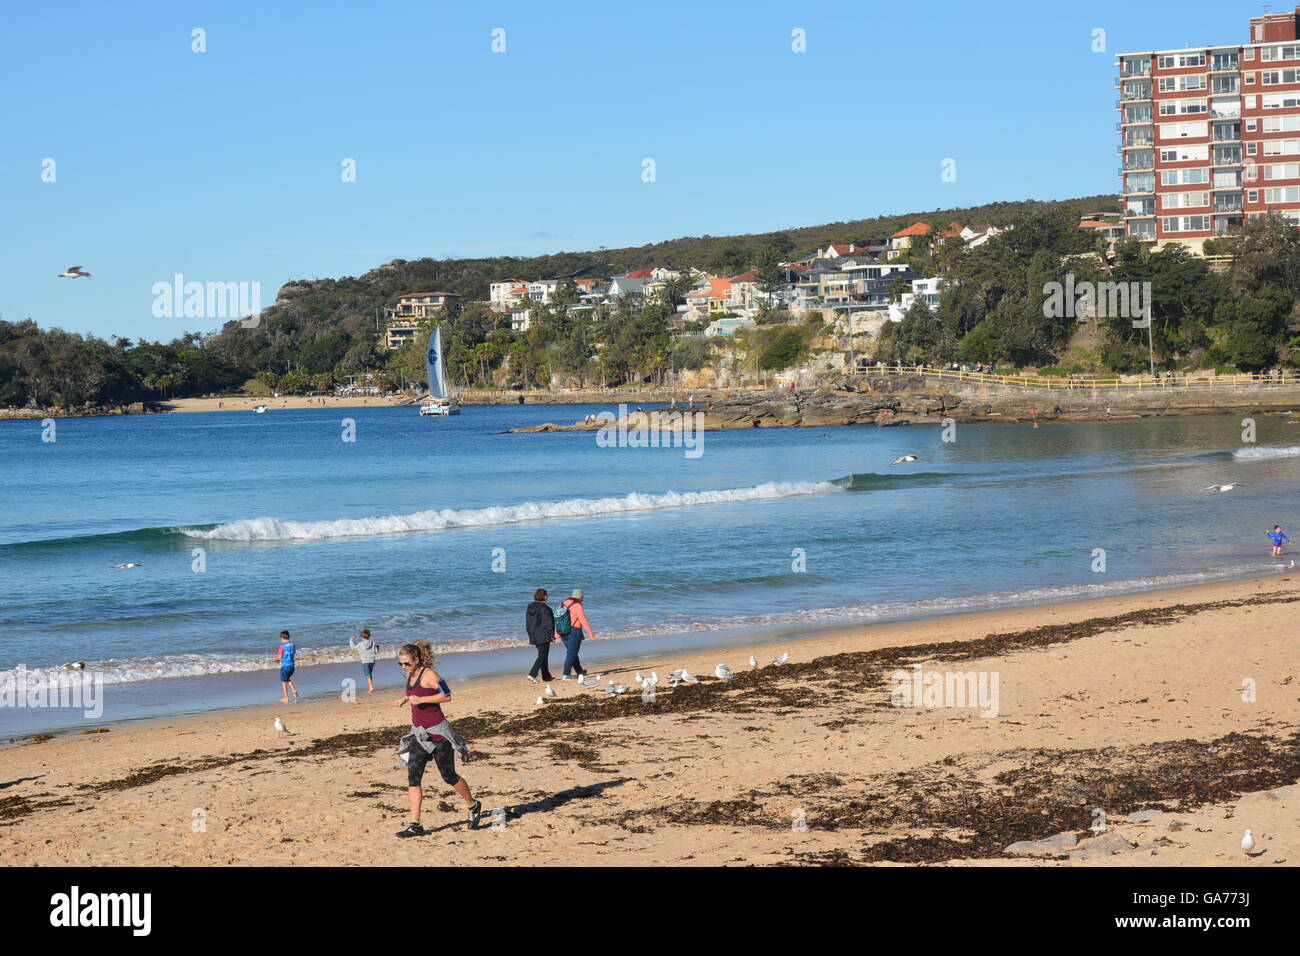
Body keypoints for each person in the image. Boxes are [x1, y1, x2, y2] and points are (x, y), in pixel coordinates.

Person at [394, 641, 481, 837]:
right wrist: (405, 699)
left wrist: (422, 700)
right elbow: (414, 692)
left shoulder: (430, 675)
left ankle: (473, 805)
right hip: (419, 735)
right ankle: (415, 824)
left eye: (406, 663)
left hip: (438, 735)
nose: (403, 667)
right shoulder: (411, 675)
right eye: (400, 664)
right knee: (413, 778)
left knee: (449, 776)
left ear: (416, 660)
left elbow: (447, 695)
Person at [556, 589, 597, 681]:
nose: (582, 600)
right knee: (571, 653)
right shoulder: (577, 605)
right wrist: (590, 632)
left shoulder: (563, 603)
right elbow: (582, 619)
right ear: (580, 597)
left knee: (572, 652)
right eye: (582, 598)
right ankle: (566, 674)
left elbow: (558, 619)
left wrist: (557, 633)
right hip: (574, 631)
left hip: (563, 631)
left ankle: (579, 671)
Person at [526, 589, 556, 683]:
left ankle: (546, 676)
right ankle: (532, 674)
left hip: (534, 634)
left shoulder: (531, 607)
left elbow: (529, 623)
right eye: (546, 595)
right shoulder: (544, 608)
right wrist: (552, 634)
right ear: (545, 596)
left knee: (543, 655)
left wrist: (531, 634)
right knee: (542, 655)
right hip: (543, 634)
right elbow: (549, 623)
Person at [348, 628, 380, 694]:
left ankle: (371, 687)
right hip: (372, 660)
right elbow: (375, 651)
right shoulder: (373, 643)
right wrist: (377, 647)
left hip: (365, 661)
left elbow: (353, 647)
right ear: (369, 636)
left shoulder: (360, 644)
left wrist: (351, 640)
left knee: (367, 674)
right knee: (369, 674)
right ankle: (370, 688)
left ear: (362, 637)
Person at [274, 630, 299, 703]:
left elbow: (280, 657)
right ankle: (294, 690)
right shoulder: (293, 645)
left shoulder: (282, 646)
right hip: (292, 666)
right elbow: (292, 654)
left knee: (283, 681)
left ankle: (286, 697)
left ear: (282, 638)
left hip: (285, 666)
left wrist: (273, 659)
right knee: (287, 678)